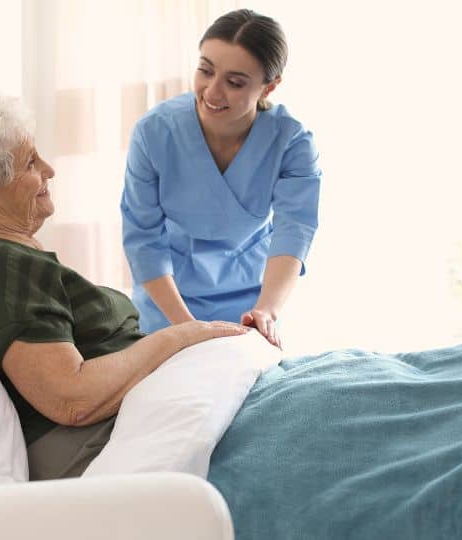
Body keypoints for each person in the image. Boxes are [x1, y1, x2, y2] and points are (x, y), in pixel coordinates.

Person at [0, 94, 248, 480]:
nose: (49, 170)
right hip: (96, 440)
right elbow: (71, 398)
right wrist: (183, 337)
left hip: (132, 415)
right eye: (30, 162)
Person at [121, 9, 321, 348]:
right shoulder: (154, 133)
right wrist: (187, 329)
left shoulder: (292, 143)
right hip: (167, 300)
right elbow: (143, 240)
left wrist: (267, 311)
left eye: (235, 82)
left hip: (251, 300)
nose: (212, 92)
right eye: (205, 71)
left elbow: (294, 231)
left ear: (269, 87)